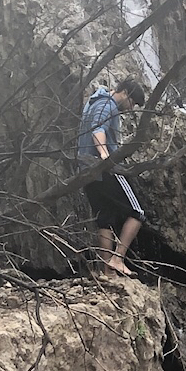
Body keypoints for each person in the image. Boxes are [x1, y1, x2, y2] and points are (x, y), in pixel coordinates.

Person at [77, 75, 149, 277]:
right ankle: (117, 259)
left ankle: (107, 271)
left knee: (105, 219)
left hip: (87, 171)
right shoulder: (107, 105)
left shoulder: (93, 102)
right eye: (132, 102)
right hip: (105, 169)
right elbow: (98, 130)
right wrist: (105, 156)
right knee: (137, 212)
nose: (131, 108)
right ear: (124, 93)